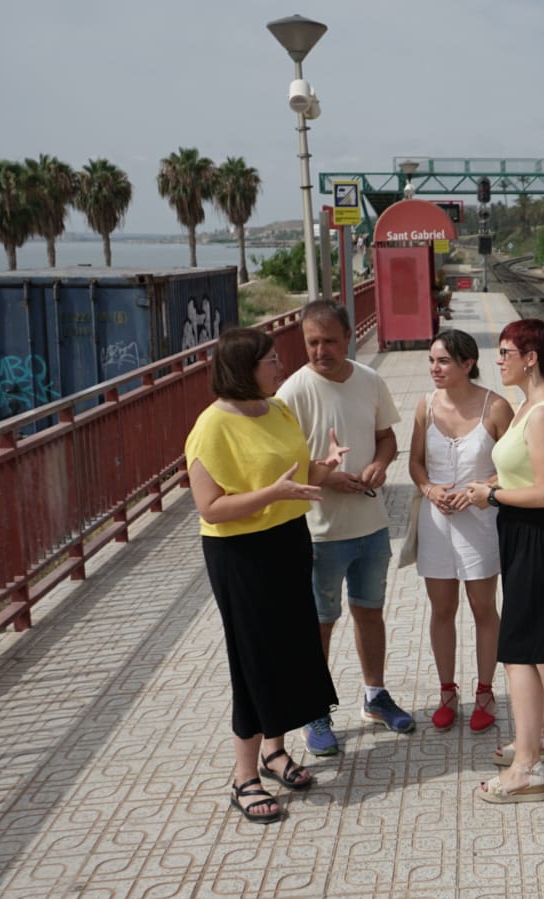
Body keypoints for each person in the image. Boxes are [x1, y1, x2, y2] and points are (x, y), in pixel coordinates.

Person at [184, 327, 343, 824]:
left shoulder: (277, 409)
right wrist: (273, 495)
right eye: (271, 360)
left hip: (288, 540)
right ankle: (243, 776)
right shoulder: (211, 427)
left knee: (290, 647)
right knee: (252, 656)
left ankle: (275, 751)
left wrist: (324, 467)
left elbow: (293, 476)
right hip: (239, 553)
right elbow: (211, 506)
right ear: (243, 368)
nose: (280, 367)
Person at [463, 319, 544, 803]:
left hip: (541, 536)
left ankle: (526, 769)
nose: (498, 360)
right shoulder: (527, 406)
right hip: (527, 537)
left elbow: (543, 493)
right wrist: (492, 483)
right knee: (543, 644)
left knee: (518, 650)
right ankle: (539, 736)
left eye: (505, 352)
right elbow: (525, 470)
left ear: (530, 357)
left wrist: (491, 494)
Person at [277, 300, 415, 755]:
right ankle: (315, 709)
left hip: (371, 525)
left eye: (329, 341)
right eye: (312, 342)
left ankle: (375, 696)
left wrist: (379, 463)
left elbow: (387, 437)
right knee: (320, 623)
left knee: (369, 612)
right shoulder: (292, 393)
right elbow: (283, 467)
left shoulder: (370, 381)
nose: (320, 351)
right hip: (319, 531)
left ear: (349, 337)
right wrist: (326, 476)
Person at [407, 329, 514, 733]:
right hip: (437, 523)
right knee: (442, 609)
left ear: (467, 364)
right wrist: (429, 489)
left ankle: (485, 692)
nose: (434, 368)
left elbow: (516, 465)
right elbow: (415, 463)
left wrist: (481, 490)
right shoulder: (425, 406)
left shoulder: (496, 407)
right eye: (432, 361)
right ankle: (447, 692)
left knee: (483, 607)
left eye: (443, 361)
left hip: (481, 522)